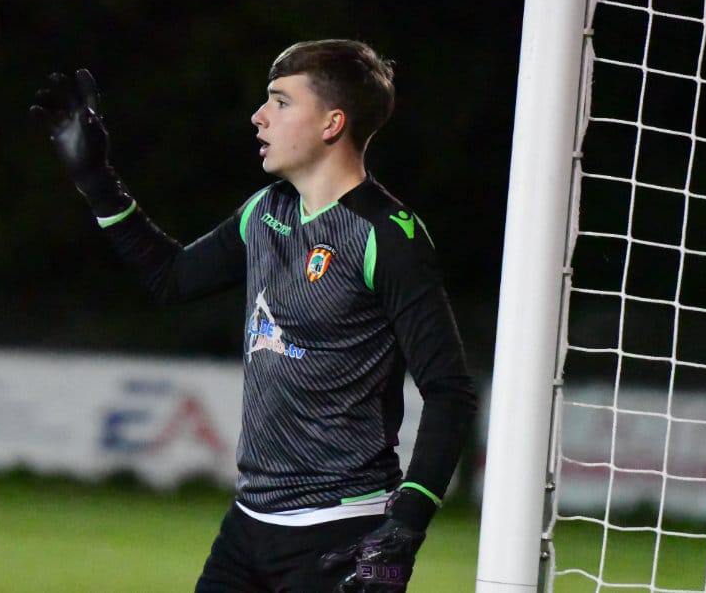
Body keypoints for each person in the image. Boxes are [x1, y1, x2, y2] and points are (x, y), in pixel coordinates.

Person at [31, 39, 477, 592]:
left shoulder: (388, 237)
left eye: (281, 102)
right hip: (247, 529)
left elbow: (450, 391)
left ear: (332, 123)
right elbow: (171, 278)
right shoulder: (265, 212)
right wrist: (97, 181)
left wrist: (406, 525)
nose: (259, 116)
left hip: (343, 535)